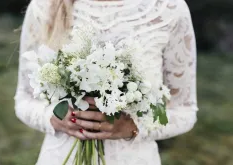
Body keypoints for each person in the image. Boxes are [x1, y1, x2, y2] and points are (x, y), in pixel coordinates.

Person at [14, 0, 198, 164]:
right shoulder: (44, 6)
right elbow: (24, 98)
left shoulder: (169, 9)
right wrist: (53, 118)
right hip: (60, 157)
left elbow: (185, 110)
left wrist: (133, 127)